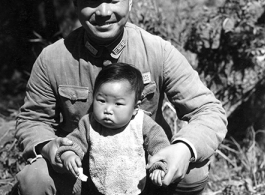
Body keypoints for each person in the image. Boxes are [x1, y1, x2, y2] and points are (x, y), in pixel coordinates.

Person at [15, 0, 228, 194]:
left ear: (130, 3)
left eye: (114, 0)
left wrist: (184, 148)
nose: (104, 12)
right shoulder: (53, 58)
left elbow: (208, 110)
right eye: (91, 1)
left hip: (143, 173)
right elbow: (33, 120)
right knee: (35, 178)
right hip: (79, 174)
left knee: (193, 171)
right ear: (75, 3)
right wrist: (49, 147)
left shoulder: (157, 52)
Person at [55, 63, 170, 195]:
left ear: (135, 108)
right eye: (102, 101)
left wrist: (159, 166)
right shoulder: (89, 123)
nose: (108, 110)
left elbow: (160, 145)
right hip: (98, 188)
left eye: (118, 104)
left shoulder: (141, 123)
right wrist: (69, 154)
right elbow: (74, 142)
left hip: (136, 188)